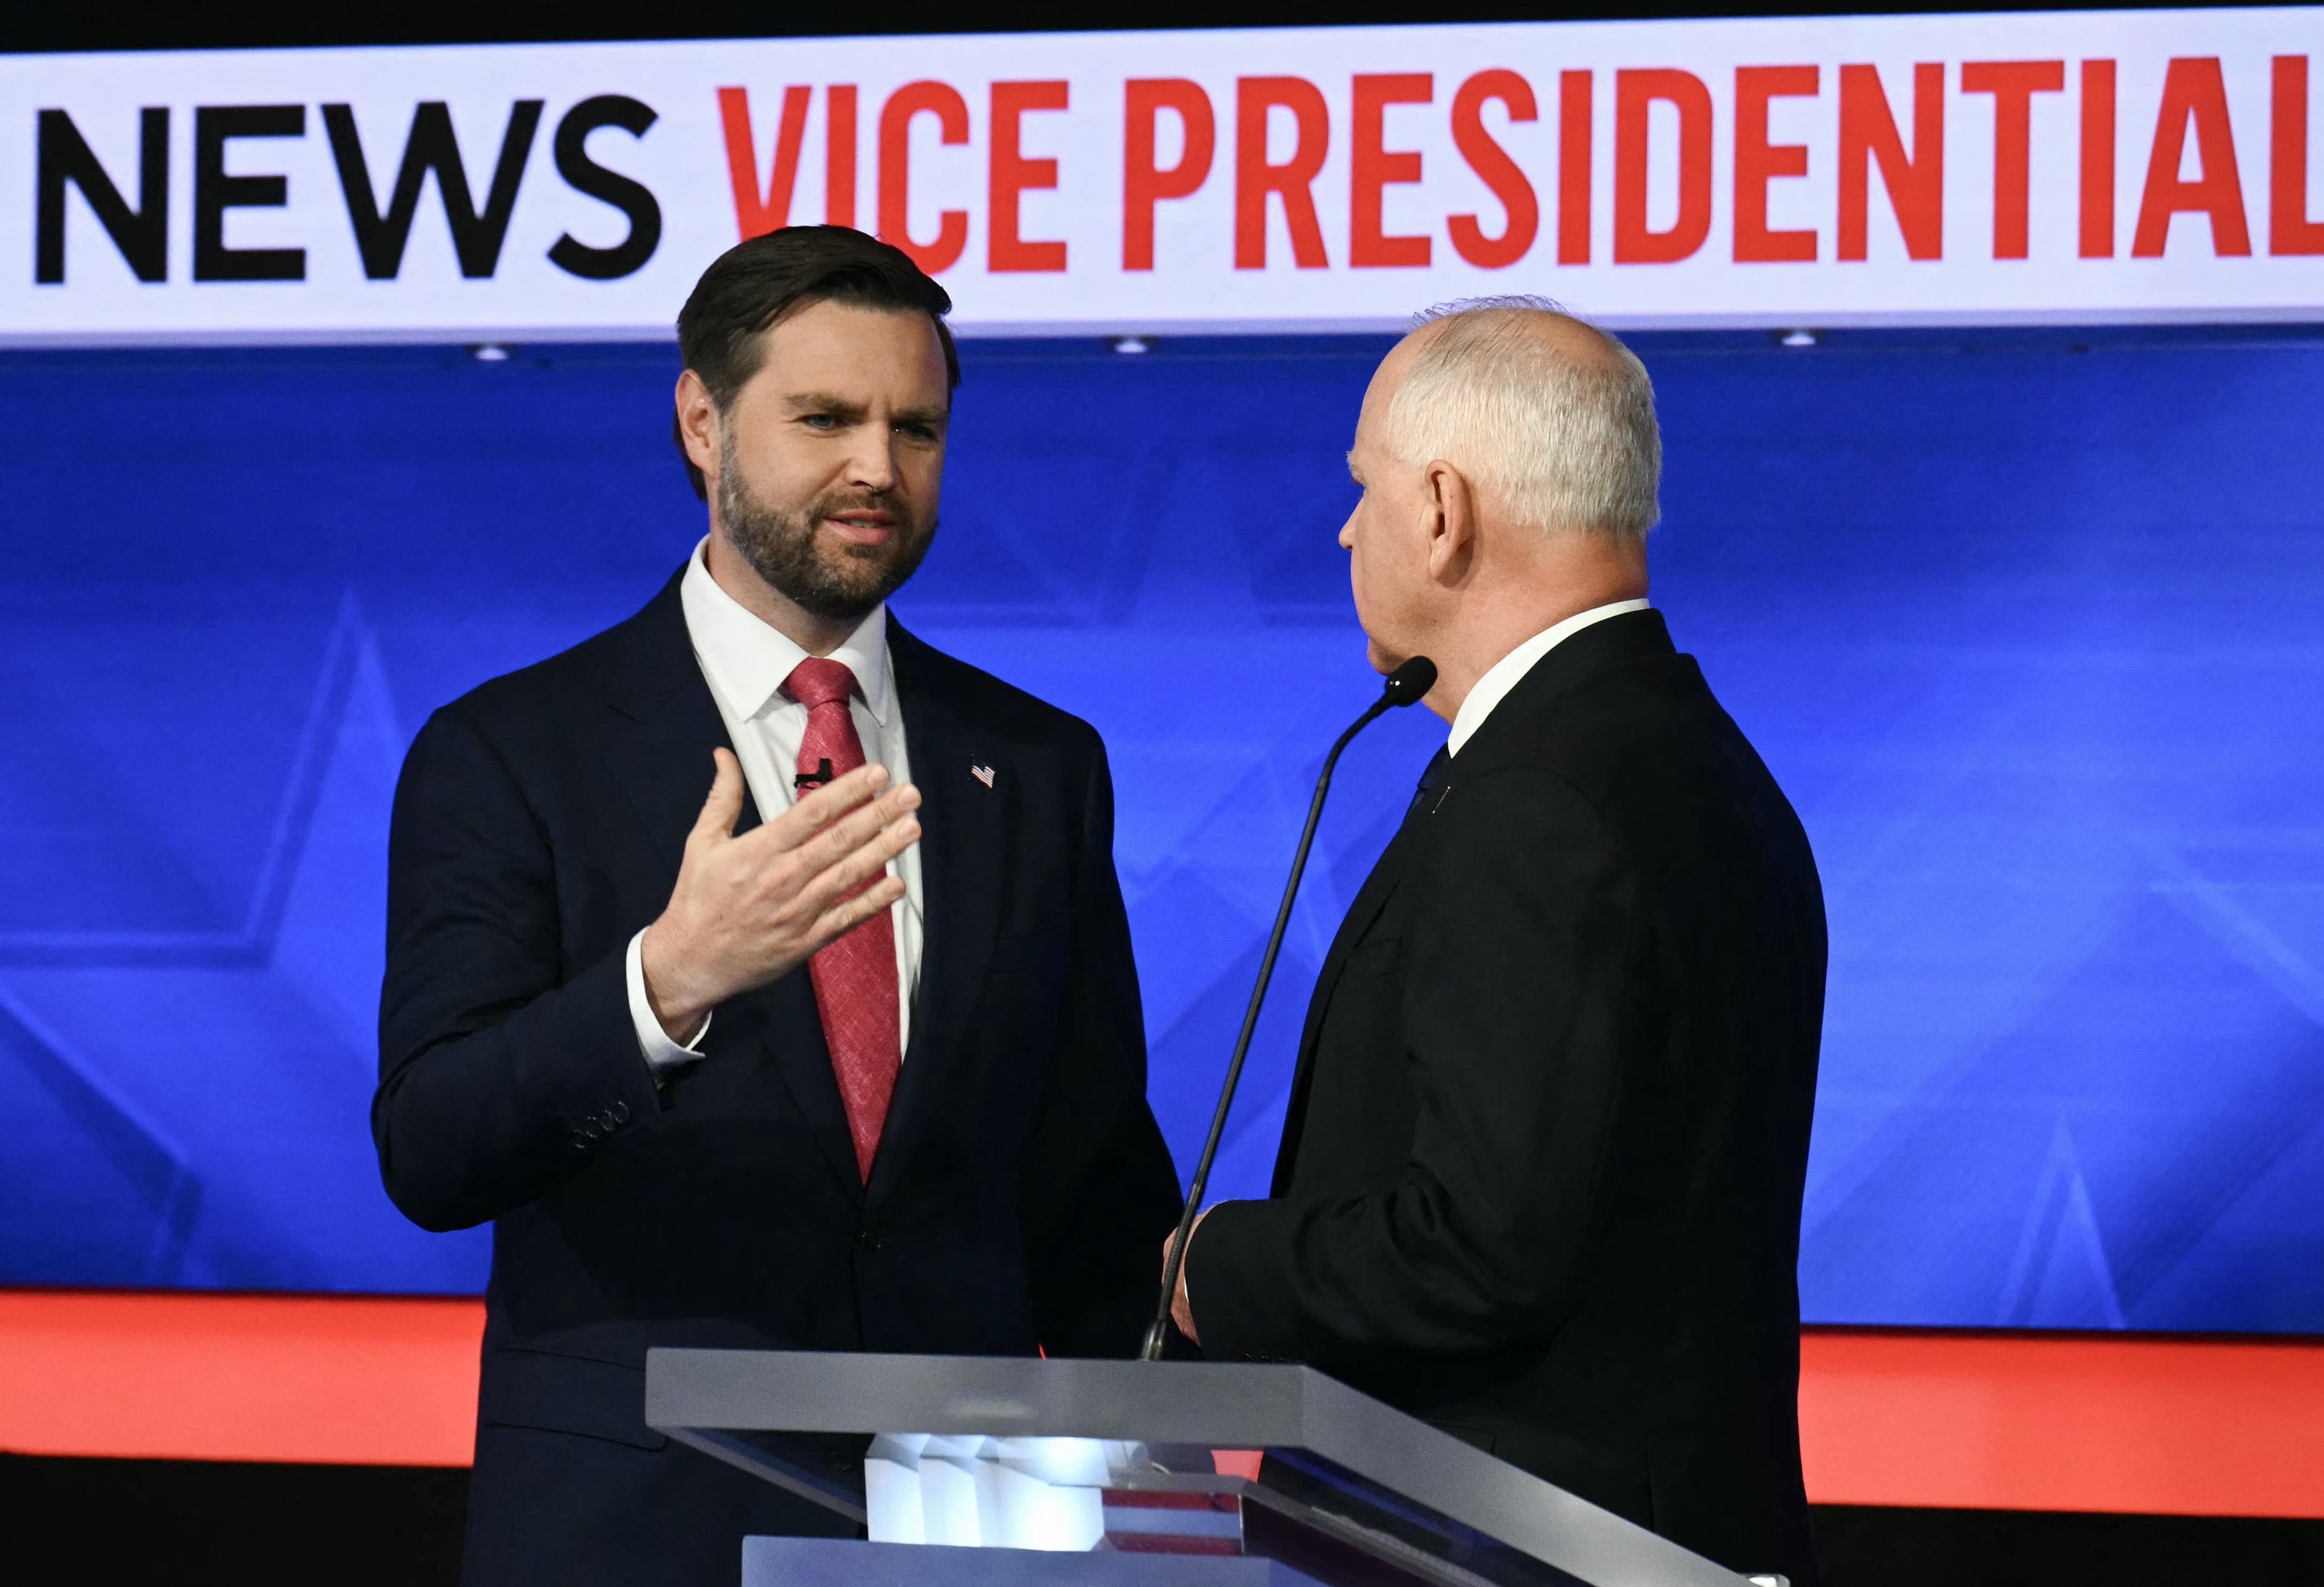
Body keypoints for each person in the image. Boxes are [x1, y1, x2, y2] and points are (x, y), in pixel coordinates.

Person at [375, 226, 1181, 1586]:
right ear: (701, 420)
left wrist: (1165, 1476)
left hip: (965, 1538)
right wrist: (665, 983)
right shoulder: (513, 749)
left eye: (914, 426)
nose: (878, 467)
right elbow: (433, 1146)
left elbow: (1089, 1174)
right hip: (630, 1534)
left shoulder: (1039, 764)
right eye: (825, 418)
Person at [1168, 300, 1826, 1583]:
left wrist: (1214, 1265)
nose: (1348, 526)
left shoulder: (1540, 798)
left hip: (1497, 1543)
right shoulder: (1690, 759)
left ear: (1440, 509)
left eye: (1362, 486)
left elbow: (1477, 1248)